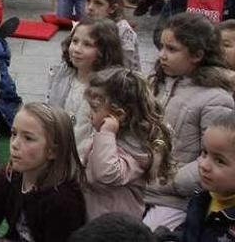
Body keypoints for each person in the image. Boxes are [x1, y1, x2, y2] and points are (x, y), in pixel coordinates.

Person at [144, 13, 235, 231]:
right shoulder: (158, 82)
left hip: (174, 199)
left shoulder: (216, 98)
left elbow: (214, 155)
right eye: (162, 47)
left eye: (172, 49)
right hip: (140, 185)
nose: (162, 56)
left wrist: (172, 181)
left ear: (196, 55)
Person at [0, 103, 87, 241]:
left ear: (53, 151)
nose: (14, 144)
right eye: (14, 133)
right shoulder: (10, 174)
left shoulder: (64, 199)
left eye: (28, 138)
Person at [82, 67, 173, 220]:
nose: (89, 114)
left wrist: (107, 133)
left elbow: (107, 174)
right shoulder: (113, 137)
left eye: (94, 109)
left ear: (118, 115)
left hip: (116, 227)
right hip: (96, 216)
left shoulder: (136, 151)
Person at [47, 18, 124, 159]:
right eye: (75, 41)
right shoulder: (63, 76)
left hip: (87, 159)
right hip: (59, 153)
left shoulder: (108, 90)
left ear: (104, 51)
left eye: (87, 44)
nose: (77, 49)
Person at [178, 112, 235, 242]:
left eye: (219, 161)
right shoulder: (201, 199)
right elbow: (187, 232)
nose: (203, 165)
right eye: (204, 153)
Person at [85, 0, 142, 72]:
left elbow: (125, 70)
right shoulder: (86, 26)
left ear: (112, 8)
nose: (90, 7)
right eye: (88, 1)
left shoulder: (123, 32)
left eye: (98, 3)